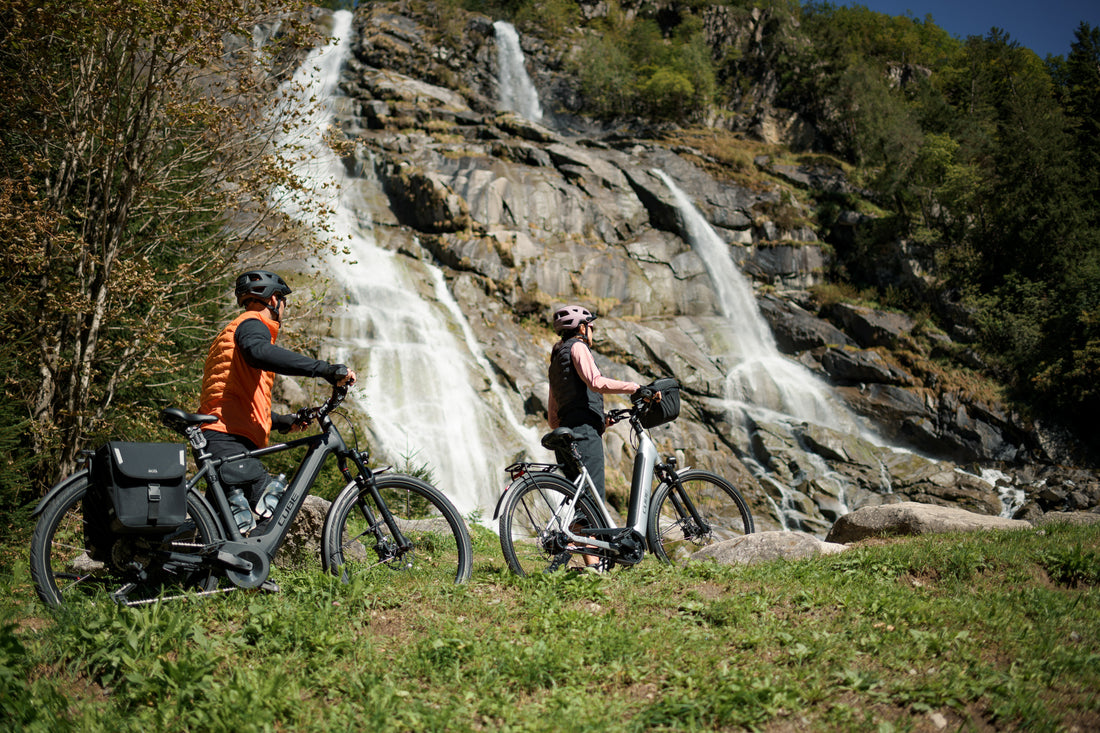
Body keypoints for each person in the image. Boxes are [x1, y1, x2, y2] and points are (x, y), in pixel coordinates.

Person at [198, 269, 356, 519]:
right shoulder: (251, 325)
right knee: (271, 510)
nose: (284, 309)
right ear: (274, 300)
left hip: (224, 436)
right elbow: (259, 353)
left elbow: (234, 399)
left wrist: (282, 421)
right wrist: (325, 369)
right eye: (284, 302)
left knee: (222, 528)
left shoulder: (234, 332)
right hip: (227, 440)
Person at [546, 305, 642, 502]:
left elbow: (553, 418)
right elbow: (596, 382)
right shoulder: (578, 347)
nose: (592, 333)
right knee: (594, 503)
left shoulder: (555, 362)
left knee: (583, 505)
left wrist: (599, 420)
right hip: (584, 434)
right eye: (592, 327)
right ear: (582, 328)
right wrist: (635, 387)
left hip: (565, 439)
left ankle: (573, 532)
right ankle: (591, 533)